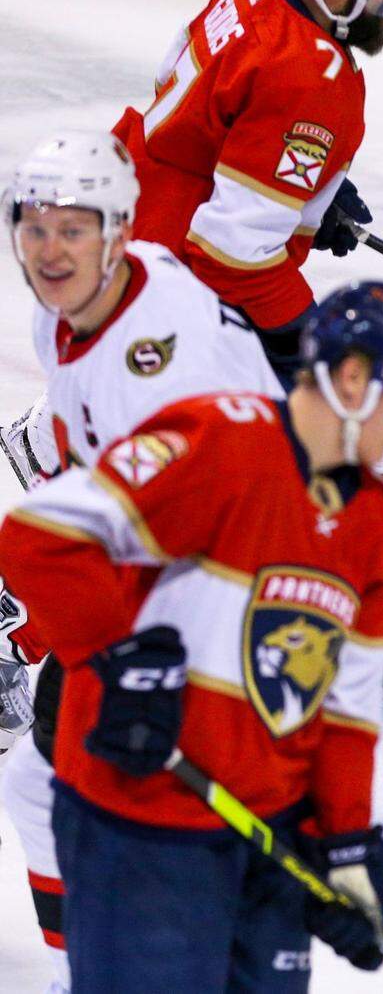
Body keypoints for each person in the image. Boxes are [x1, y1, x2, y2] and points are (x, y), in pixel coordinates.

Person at [0, 279, 383, 991]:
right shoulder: (215, 439)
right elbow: (39, 538)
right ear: (355, 379)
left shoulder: (376, 520)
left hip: (268, 840)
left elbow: (346, 711)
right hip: (140, 822)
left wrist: (346, 844)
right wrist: (115, 663)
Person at [0, 129, 283, 992]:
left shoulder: (156, 366)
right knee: (46, 782)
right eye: (34, 225)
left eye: (73, 229)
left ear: (117, 230)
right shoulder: (90, 302)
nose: (51, 250)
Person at [110, 0, 383, 378]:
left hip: (129, 197)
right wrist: (307, 338)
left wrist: (293, 187)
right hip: (173, 271)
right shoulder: (312, 78)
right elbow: (232, 252)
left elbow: (191, 88)